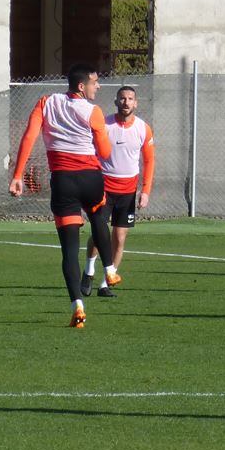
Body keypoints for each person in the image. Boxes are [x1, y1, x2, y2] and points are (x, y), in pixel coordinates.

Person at [9, 63, 120, 329]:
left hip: (63, 181)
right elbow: (104, 152)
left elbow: (29, 137)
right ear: (81, 86)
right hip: (90, 177)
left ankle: (77, 306)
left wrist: (18, 175)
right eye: (95, 82)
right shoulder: (93, 111)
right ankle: (110, 270)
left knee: (69, 250)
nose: (98, 86)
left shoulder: (46, 102)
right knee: (98, 218)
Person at [80, 86, 155, 297]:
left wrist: (146, 191)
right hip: (103, 188)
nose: (126, 102)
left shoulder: (143, 128)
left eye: (130, 99)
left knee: (119, 238)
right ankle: (89, 271)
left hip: (128, 191)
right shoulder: (103, 124)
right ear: (116, 101)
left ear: (136, 103)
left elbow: (149, 161)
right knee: (98, 232)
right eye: (122, 98)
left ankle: (105, 283)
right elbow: (90, 152)